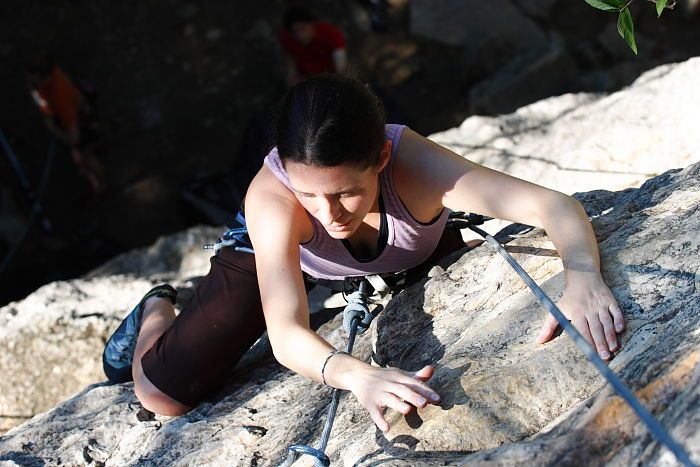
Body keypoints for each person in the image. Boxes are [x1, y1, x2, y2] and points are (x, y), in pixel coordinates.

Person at [103, 74, 625, 432]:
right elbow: (286, 332)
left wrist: (582, 274)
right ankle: (157, 308)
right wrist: (357, 374)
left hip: (399, 249)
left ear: (379, 157)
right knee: (161, 395)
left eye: (344, 192)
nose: (329, 213)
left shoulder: (413, 166)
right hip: (283, 255)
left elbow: (553, 206)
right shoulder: (273, 200)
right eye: (309, 193)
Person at [25, 54, 106, 194]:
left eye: (32, 76)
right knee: (81, 155)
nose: (28, 79)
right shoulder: (46, 79)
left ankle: (101, 185)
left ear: (43, 77)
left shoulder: (60, 101)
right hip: (76, 112)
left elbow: (74, 139)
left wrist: (52, 129)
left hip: (77, 122)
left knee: (85, 157)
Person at [279, 6, 348, 86]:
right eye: (295, 32)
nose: (300, 36)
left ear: (312, 23)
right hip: (309, 81)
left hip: (332, 77)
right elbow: (291, 64)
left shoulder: (330, 33)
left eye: (303, 28)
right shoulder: (287, 39)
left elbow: (341, 67)